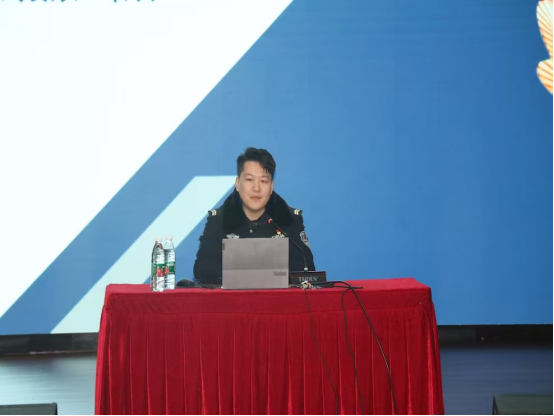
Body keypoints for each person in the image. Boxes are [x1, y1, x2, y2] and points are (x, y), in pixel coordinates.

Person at [193, 147, 315, 285]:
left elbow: (306, 269)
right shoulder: (218, 220)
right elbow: (203, 271)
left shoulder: (289, 219)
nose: (256, 188)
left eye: (263, 181)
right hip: (231, 298)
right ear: (237, 184)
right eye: (250, 179)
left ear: (271, 186)